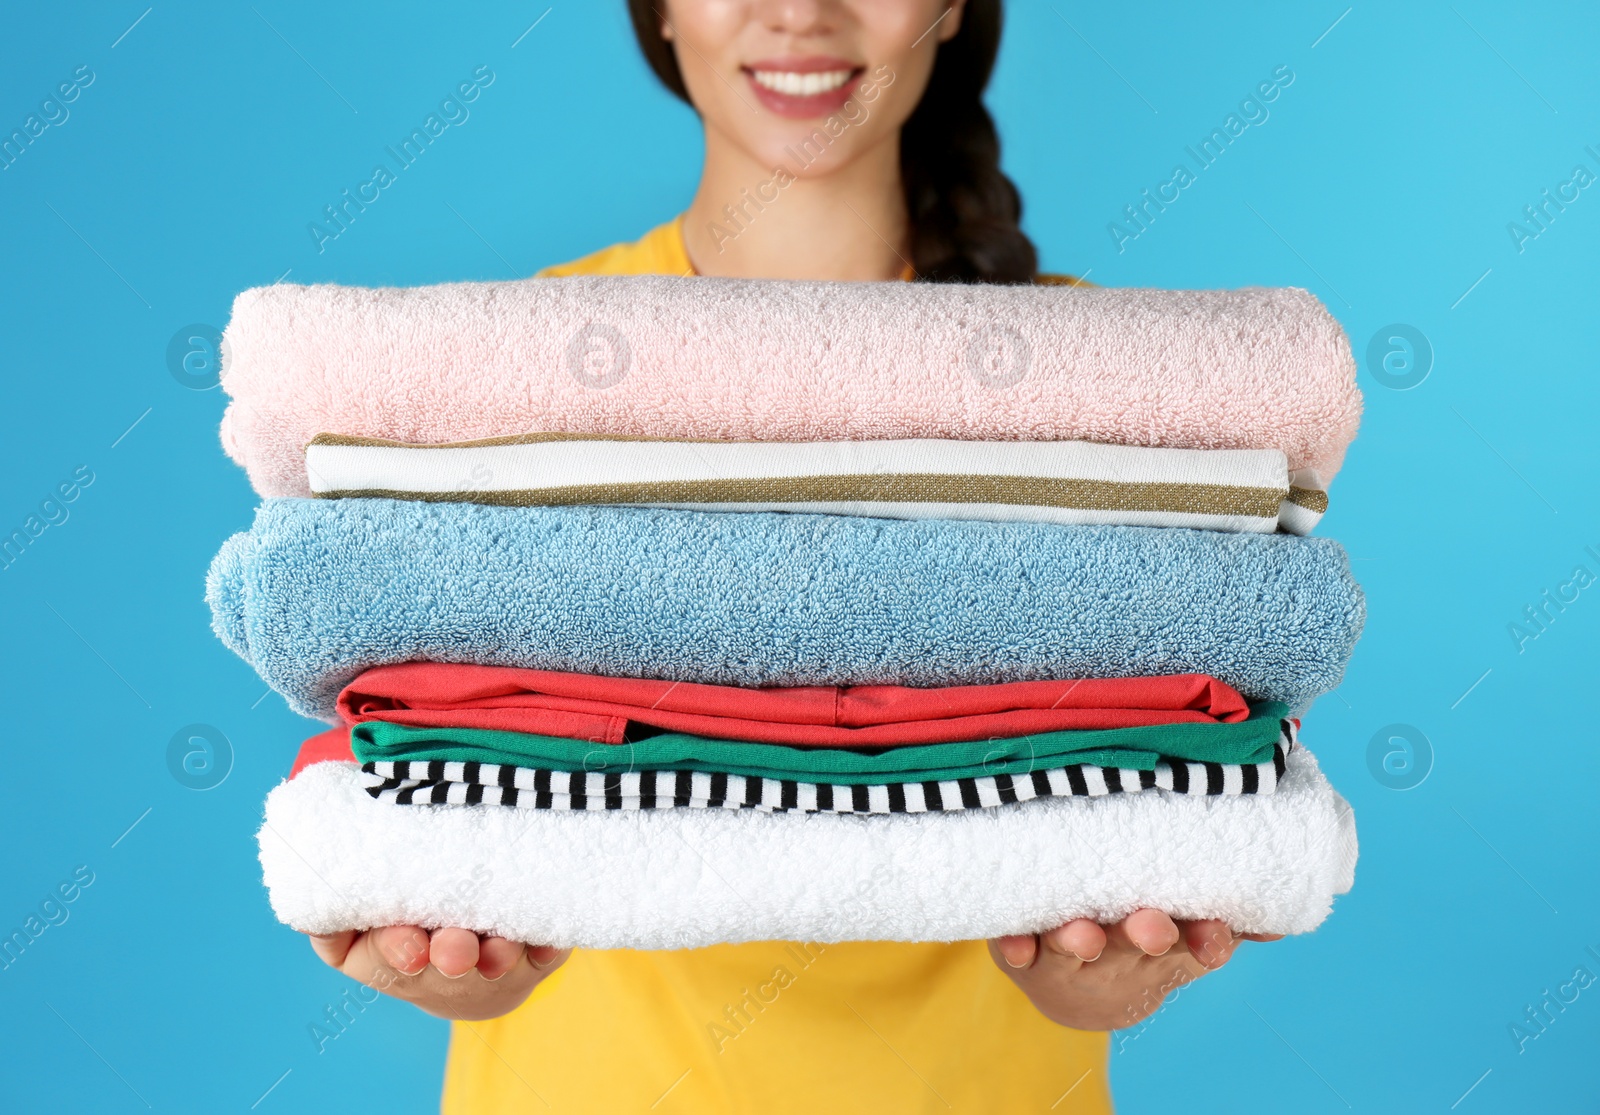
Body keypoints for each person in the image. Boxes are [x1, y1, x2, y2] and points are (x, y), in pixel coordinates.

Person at [308, 2, 1278, 1109]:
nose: (799, 12)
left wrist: (1102, 974)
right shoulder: (526, 363)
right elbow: (416, 717)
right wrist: (455, 941)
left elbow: (1195, 713)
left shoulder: (1094, 385)